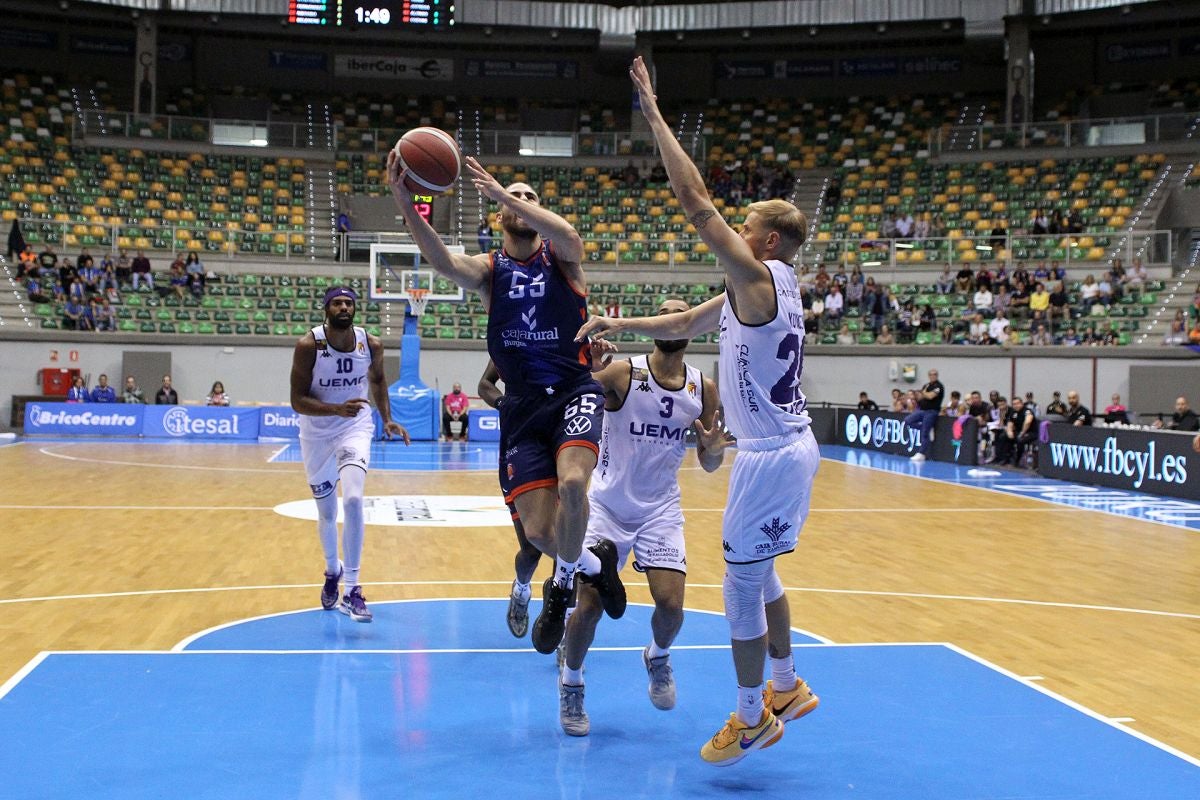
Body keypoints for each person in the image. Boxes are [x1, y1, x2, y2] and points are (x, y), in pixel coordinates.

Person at [573, 57, 822, 766]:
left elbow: (695, 204)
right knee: (765, 570)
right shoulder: (771, 284)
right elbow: (691, 318)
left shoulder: (756, 274)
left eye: (743, 230)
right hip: (790, 448)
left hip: (771, 455)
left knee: (740, 587)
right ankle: (785, 684)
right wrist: (623, 329)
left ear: (765, 243)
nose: (732, 237)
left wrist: (653, 112)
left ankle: (750, 719)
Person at [387, 143, 626, 655]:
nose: (520, 201)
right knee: (539, 534)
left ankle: (561, 588)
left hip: (573, 392)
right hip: (521, 407)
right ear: (499, 217)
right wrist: (405, 203)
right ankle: (589, 563)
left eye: (529, 196)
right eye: (512, 198)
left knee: (575, 484)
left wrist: (505, 193)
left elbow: (570, 235)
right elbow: (442, 259)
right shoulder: (489, 270)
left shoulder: (562, 258)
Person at [558, 298, 727, 736]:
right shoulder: (624, 373)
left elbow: (709, 465)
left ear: (690, 329)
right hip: (609, 508)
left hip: (660, 510)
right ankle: (571, 684)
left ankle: (657, 655)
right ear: (655, 327)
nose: (673, 321)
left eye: (680, 314)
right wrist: (587, 370)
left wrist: (712, 448)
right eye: (665, 314)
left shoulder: (703, 388)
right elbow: (571, 400)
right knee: (589, 607)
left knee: (671, 606)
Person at [290, 286, 411, 623]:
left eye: (349, 303)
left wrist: (387, 418)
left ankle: (353, 589)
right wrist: (333, 408)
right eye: (337, 303)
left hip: (355, 426)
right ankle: (333, 570)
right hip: (316, 431)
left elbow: (379, 380)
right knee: (327, 513)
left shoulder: (369, 343)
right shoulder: (308, 346)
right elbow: (297, 400)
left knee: (355, 499)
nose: (343, 307)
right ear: (326, 309)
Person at [903, 369, 945, 462]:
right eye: (931, 374)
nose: (933, 376)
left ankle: (921, 453)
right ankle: (927, 428)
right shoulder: (926, 385)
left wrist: (924, 393)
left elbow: (930, 396)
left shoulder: (939, 386)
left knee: (925, 434)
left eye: (934, 374)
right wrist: (922, 394)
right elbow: (921, 397)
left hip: (932, 411)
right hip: (922, 410)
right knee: (908, 420)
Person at [995, 396, 1037, 466]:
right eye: (1014, 404)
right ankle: (1005, 459)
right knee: (1004, 436)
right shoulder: (1013, 412)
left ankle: (1017, 461)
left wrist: (1022, 433)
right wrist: (1009, 431)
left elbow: (1028, 422)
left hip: (1030, 433)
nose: (1016, 405)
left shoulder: (1027, 411)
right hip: (1019, 432)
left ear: (1022, 403)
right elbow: (1010, 423)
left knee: (1020, 440)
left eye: (1017, 403)